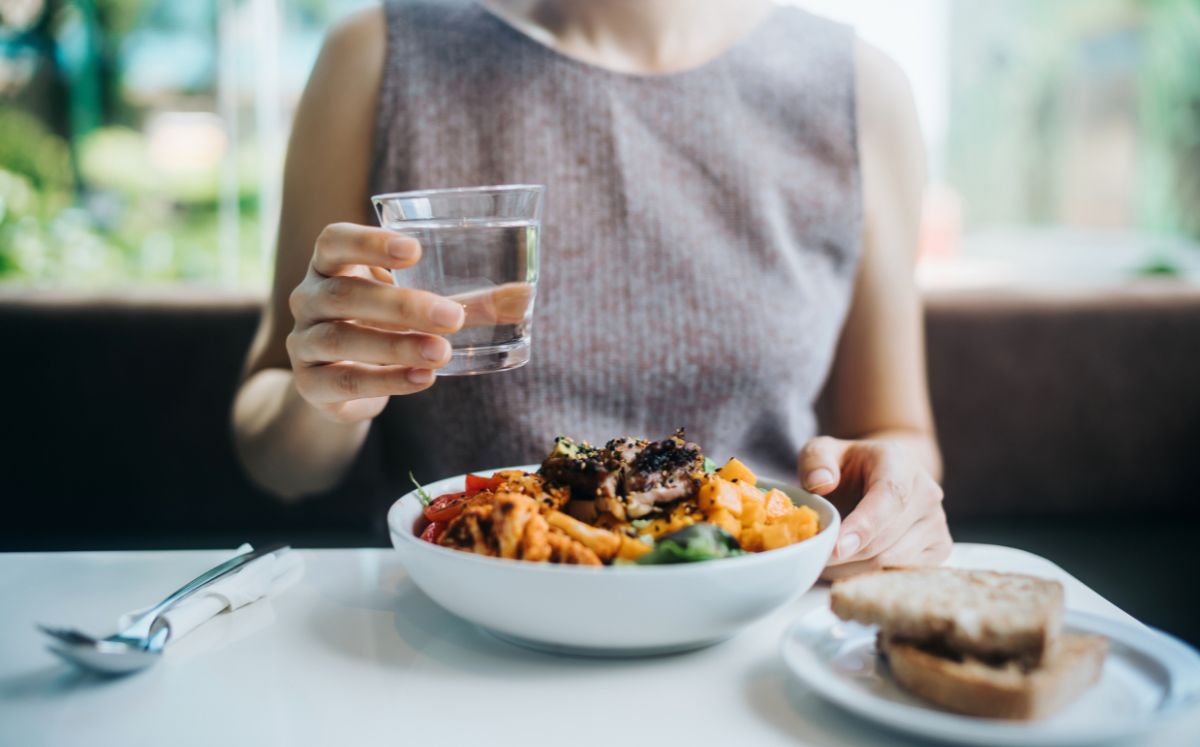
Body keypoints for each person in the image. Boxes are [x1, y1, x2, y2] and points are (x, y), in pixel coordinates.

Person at [232, 0, 951, 578]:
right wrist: (328, 390)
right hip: (467, 627)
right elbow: (273, 459)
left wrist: (886, 491)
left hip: (754, 615)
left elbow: (899, 431)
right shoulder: (376, 57)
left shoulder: (859, 88)